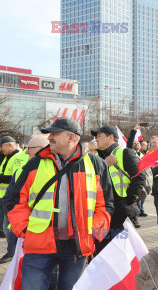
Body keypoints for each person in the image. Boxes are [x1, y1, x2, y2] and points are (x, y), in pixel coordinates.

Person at [7, 118, 114, 290]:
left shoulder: (96, 165)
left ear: (71, 137)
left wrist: (94, 233)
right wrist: (25, 231)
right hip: (39, 245)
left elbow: (105, 206)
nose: (50, 137)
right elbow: (14, 201)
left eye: (55, 134)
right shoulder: (35, 164)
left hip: (76, 247)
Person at [91, 125, 146, 240]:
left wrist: (128, 200)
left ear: (110, 137)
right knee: (103, 252)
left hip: (122, 215)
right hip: (102, 214)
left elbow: (140, 177)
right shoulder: (97, 157)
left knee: (122, 253)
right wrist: (104, 164)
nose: (96, 139)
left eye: (99, 136)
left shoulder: (125, 153)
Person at [0, 135, 49, 264]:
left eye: (30, 148)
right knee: (8, 231)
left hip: (39, 225)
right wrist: (9, 208)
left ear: (43, 149)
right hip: (16, 208)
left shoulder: (51, 169)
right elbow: (13, 187)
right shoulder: (21, 163)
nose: (26, 151)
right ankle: (13, 253)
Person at [0, 136, 21, 238]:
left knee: (8, 225)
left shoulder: (18, 158)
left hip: (10, 196)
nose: (1, 149)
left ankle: (11, 251)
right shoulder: (7, 157)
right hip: (3, 195)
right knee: (4, 224)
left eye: (2, 146)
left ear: (9, 145)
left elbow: (15, 178)